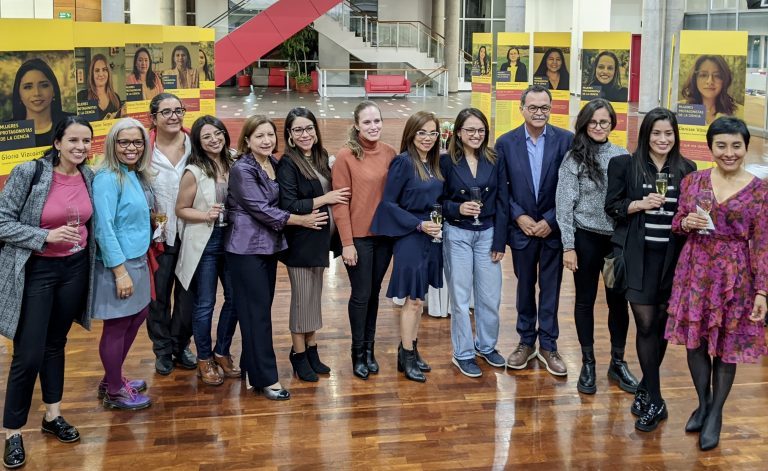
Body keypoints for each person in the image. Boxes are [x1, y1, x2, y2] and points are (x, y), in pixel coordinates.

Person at [665, 117, 768, 450]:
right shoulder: (694, 181)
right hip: (696, 269)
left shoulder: (760, 191)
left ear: (746, 147)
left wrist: (763, 290)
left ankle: (716, 414)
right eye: (721, 145)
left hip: (736, 276)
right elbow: (677, 222)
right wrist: (686, 222)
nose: (729, 152)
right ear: (710, 147)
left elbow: (763, 243)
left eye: (736, 145)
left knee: (727, 346)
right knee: (694, 342)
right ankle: (703, 402)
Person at [0, 116, 94, 469]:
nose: (80, 147)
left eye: (86, 141)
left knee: (56, 344)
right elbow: (2, 221)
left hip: (75, 269)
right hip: (36, 270)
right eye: (73, 140)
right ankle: (12, 432)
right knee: (28, 354)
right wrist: (45, 236)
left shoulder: (88, 175)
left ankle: (53, 415)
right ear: (57, 142)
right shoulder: (30, 172)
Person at [605, 107, 696, 430]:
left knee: (662, 325)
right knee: (645, 325)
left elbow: (689, 211)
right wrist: (639, 204)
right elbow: (612, 206)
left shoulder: (687, 169)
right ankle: (656, 401)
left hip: (673, 259)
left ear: (675, 136)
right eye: (656, 133)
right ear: (646, 135)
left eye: (668, 133)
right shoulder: (625, 165)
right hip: (638, 257)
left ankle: (646, 388)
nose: (662, 139)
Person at [226, 115, 328, 400]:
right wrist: (301, 220)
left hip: (267, 247)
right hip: (246, 249)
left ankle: (252, 367)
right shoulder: (242, 169)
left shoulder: (272, 163)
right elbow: (261, 209)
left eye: (270, 135)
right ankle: (267, 379)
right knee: (256, 315)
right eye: (259, 136)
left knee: (257, 313)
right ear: (247, 140)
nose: (266, 140)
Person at [555, 98, 637, 395]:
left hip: (615, 243)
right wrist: (568, 246)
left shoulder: (622, 155)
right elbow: (564, 205)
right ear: (584, 124)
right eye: (593, 122)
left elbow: (629, 200)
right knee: (585, 301)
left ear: (612, 123)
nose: (599, 127)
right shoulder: (574, 158)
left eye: (604, 122)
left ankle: (617, 362)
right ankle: (588, 363)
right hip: (586, 240)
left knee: (618, 302)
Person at [495, 84, 574, 376]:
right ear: (522, 109)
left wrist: (550, 220)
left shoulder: (566, 141)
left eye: (544, 107)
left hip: (553, 231)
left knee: (551, 289)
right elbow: (501, 188)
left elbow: (571, 188)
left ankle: (549, 346)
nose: (539, 112)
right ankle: (526, 342)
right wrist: (519, 217)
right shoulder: (505, 143)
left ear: (551, 109)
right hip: (522, 231)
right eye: (533, 107)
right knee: (525, 288)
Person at [371, 111, 444, 383]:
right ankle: (407, 356)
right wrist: (418, 224)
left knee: (419, 299)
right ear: (411, 134)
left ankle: (409, 350)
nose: (427, 138)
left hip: (431, 234)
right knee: (412, 300)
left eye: (432, 133)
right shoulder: (403, 162)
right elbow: (389, 204)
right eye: (422, 132)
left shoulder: (434, 162)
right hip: (411, 234)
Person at [277, 108, 347, 383]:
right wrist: (326, 198)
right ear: (290, 135)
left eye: (309, 128)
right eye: (298, 130)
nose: (304, 134)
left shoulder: (319, 157)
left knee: (313, 301)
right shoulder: (288, 164)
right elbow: (289, 204)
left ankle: (311, 350)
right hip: (301, 245)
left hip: (319, 243)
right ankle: (298, 355)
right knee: (301, 302)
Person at [91, 117, 154, 411]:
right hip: (118, 263)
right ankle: (115, 391)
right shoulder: (107, 178)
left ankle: (112, 378)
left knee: (138, 315)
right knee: (117, 325)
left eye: (137, 142)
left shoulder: (131, 173)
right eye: (124, 142)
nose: (132, 148)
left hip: (136, 258)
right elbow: (103, 228)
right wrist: (119, 272)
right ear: (112, 144)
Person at [331, 101, 397, 380]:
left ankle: (369, 350)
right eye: (367, 122)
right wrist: (347, 242)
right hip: (358, 237)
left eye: (377, 121)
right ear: (357, 125)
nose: (373, 126)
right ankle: (357, 352)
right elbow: (340, 204)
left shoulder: (390, 153)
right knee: (360, 295)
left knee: (374, 293)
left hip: (384, 236)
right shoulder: (345, 156)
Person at [440, 108, 508, 378]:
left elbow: (503, 200)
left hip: (488, 234)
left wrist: (500, 241)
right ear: (458, 132)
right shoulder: (446, 162)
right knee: (460, 298)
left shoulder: (494, 158)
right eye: (470, 130)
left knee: (490, 296)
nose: (476, 135)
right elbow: (438, 201)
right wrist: (457, 209)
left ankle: (486, 346)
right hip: (457, 233)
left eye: (481, 130)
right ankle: (463, 353)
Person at [175, 115, 239, 386]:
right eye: (207, 137)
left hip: (234, 239)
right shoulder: (194, 170)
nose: (214, 140)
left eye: (218, 133)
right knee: (205, 303)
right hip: (207, 241)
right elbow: (180, 209)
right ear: (198, 143)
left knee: (235, 299)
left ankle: (221, 351)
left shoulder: (234, 161)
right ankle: (204, 358)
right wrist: (205, 215)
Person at [146, 93, 196, 376]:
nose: (174, 116)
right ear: (153, 117)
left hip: (192, 233)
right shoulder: (144, 149)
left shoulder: (195, 144)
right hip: (158, 238)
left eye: (178, 110)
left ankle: (181, 345)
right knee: (158, 299)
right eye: (166, 112)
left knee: (188, 297)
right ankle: (162, 350)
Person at [11, 58, 74, 147]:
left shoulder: (73, 122)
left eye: (44, 85)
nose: (37, 93)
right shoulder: (7, 130)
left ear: (54, 90)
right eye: (28, 87)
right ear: (19, 93)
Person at [680, 55, 740, 125]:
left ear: (724, 80)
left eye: (717, 75)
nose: (710, 81)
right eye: (703, 75)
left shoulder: (738, 112)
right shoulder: (681, 108)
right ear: (695, 79)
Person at [77, 53, 125, 121]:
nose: (101, 74)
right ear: (92, 74)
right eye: (97, 70)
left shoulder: (116, 98)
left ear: (108, 73)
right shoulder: (82, 96)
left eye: (104, 69)